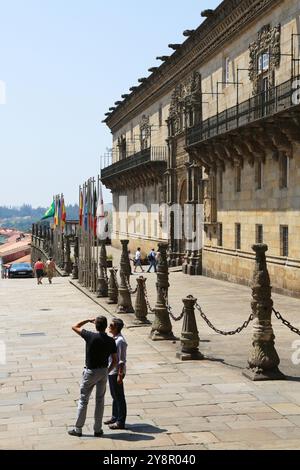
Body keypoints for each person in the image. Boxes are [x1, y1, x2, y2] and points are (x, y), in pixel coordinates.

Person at [68, 316, 117, 438]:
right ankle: (98, 429)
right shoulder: (111, 341)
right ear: (106, 326)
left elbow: (75, 327)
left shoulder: (90, 336)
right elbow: (115, 360)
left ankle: (78, 429)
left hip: (90, 371)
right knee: (100, 401)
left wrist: (87, 320)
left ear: (96, 325)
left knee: (84, 400)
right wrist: (107, 371)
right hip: (103, 371)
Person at [105, 318, 127, 430]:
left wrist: (120, 375)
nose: (109, 326)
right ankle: (115, 416)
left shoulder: (120, 341)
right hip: (111, 370)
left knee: (119, 396)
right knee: (114, 396)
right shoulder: (114, 338)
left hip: (116, 372)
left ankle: (120, 421)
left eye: (111, 325)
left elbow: (122, 360)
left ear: (116, 327)